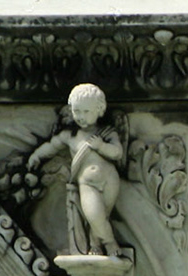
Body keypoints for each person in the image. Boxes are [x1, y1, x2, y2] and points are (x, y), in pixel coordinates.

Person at [25, 83, 125, 255]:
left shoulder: (107, 133)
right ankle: (110, 243)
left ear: (99, 110)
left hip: (110, 180)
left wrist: (101, 146)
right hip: (88, 184)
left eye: (86, 112)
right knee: (94, 215)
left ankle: (95, 244)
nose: (81, 117)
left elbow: (117, 152)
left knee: (102, 217)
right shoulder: (70, 136)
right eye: (77, 111)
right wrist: (36, 156)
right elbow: (52, 146)